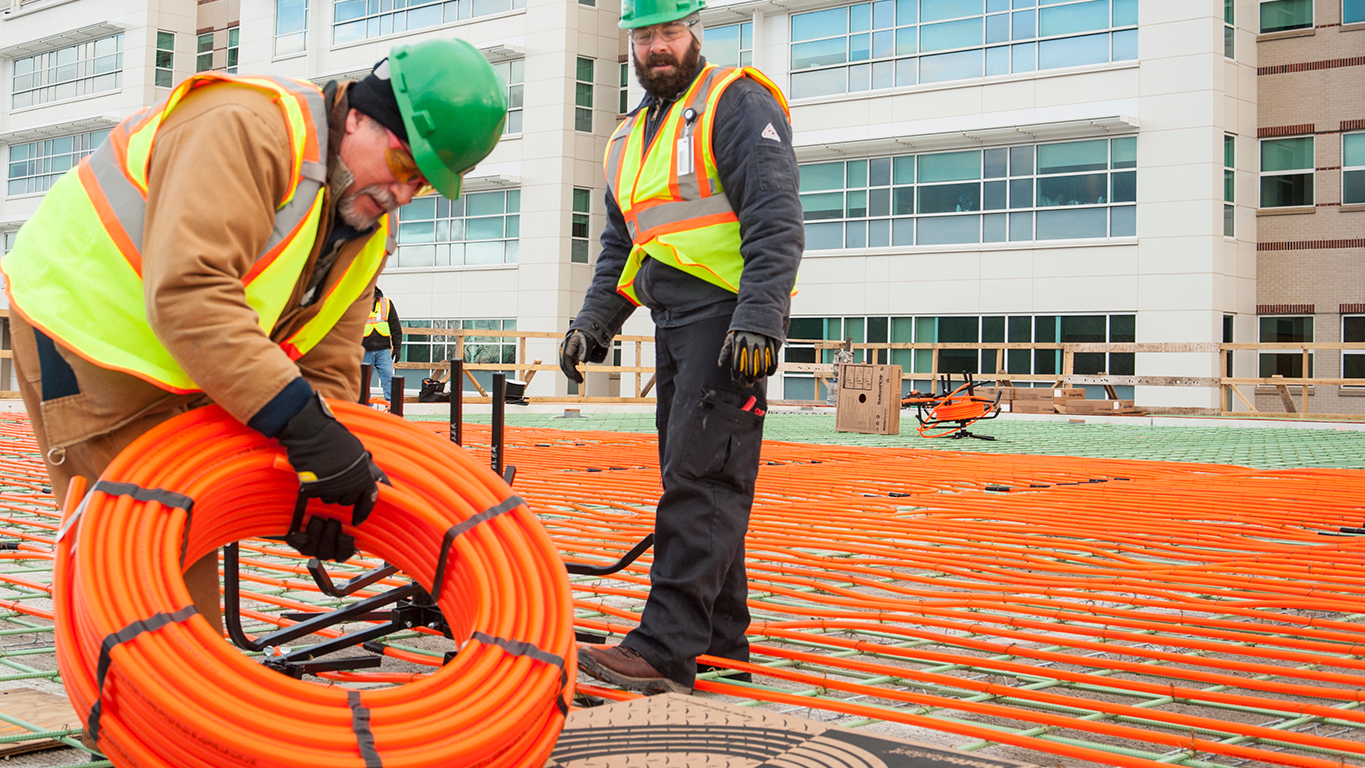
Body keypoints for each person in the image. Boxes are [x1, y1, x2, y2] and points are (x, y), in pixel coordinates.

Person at [4, 38, 508, 634]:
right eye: (402, 166)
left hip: (182, 353)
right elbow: (191, 293)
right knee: (140, 543)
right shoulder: (245, 127)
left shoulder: (363, 227)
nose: (400, 193)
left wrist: (319, 480)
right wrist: (303, 426)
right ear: (356, 116)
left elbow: (328, 360)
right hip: (87, 329)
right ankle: (148, 703)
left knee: (181, 528)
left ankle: (177, 691)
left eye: (420, 184)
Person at [561, 0, 803, 694]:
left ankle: (665, 649)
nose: (657, 47)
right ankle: (722, 645)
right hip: (673, 320)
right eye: (645, 36)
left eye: (669, 33)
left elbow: (774, 215)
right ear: (630, 46)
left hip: (726, 323)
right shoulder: (629, 136)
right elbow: (623, 244)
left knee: (702, 480)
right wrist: (595, 320)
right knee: (697, 479)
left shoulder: (733, 101)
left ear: (695, 32)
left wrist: (759, 317)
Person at [363, 286, 404, 404]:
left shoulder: (386, 303)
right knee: (363, 382)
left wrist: (397, 348)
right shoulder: (357, 304)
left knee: (388, 378)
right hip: (364, 349)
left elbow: (395, 327)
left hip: (383, 350)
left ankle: (393, 406)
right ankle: (365, 407)